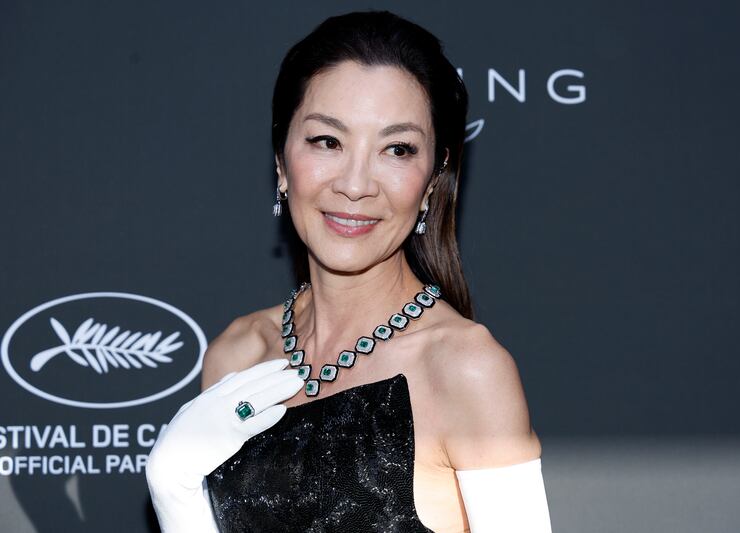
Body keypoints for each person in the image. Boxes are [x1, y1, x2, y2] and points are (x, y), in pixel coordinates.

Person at [146, 10, 552, 533]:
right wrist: (176, 500)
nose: (356, 184)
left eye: (397, 149)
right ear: (281, 161)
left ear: (432, 180)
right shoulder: (238, 355)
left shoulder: (465, 369)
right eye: (327, 142)